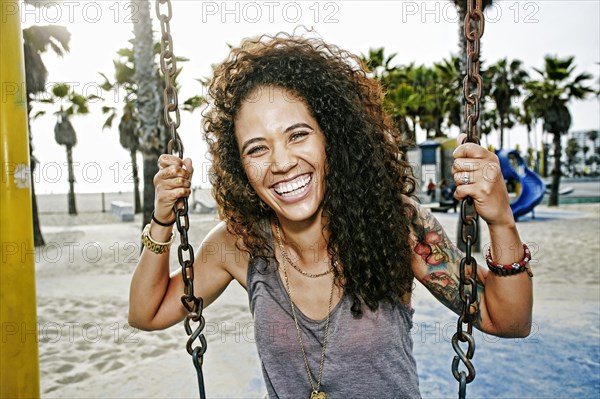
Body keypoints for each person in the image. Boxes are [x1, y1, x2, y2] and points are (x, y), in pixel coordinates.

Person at [128, 33, 533, 398]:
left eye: (298, 134)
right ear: (239, 167)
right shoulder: (239, 243)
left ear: (332, 137)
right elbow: (148, 312)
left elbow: (507, 320)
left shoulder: (397, 225)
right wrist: (163, 219)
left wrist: (499, 219)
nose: (282, 162)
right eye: (257, 148)